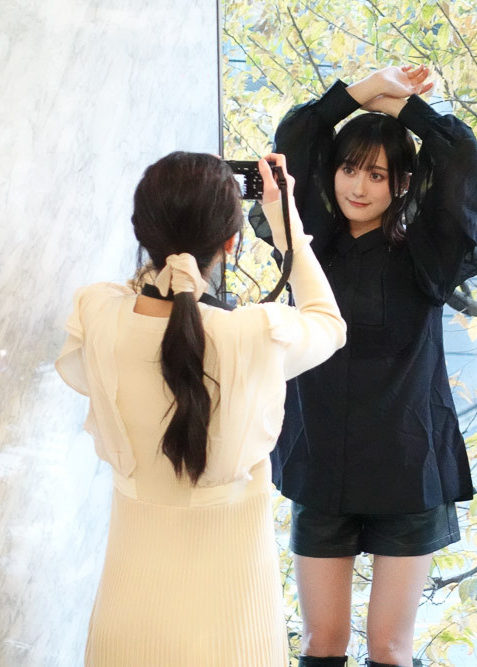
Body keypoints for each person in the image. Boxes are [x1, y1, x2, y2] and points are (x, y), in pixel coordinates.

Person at [56, 152, 346, 666]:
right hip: (235, 634)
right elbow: (328, 321)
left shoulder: (98, 315)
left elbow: (136, 294)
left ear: (142, 233)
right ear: (231, 242)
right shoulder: (253, 335)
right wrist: (285, 226)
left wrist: (170, 260)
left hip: (124, 631)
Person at [253, 66, 477, 667]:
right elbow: (296, 138)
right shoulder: (308, 243)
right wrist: (362, 91)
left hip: (407, 469)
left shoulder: (428, 256)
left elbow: (458, 153)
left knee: (388, 646)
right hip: (320, 464)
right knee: (321, 643)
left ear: (401, 184)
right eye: (349, 168)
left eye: (377, 175)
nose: (359, 186)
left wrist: (402, 107)